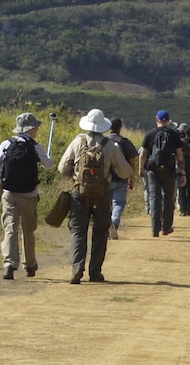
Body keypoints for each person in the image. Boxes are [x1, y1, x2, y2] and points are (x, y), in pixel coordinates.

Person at [55, 108, 132, 283]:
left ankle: (77, 268)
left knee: (78, 231)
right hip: (102, 193)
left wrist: (75, 177)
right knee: (100, 231)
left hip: (78, 192)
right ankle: (95, 272)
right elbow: (125, 171)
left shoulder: (77, 142)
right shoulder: (110, 146)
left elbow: (62, 168)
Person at [0, 110, 53, 278]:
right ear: (31, 129)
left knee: (10, 228)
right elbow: (49, 165)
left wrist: (2, 182)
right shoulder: (35, 146)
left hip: (9, 192)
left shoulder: (6, 144)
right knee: (28, 230)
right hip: (29, 194)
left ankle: (9, 265)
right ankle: (30, 265)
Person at [139, 109, 182, 237]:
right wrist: (182, 172)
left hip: (153, 170)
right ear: (168, 120)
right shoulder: (173, 134)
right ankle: (166, 227)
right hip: (168, 171)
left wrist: (141, 168)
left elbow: (143, 154)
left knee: (155, 198)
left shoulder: (150, 134)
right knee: (169, 198)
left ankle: (155, 229)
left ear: (156, 119)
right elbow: (180, 156)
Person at [107, 117, 139, 234]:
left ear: (109, 127)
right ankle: (114, 222)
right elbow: (132, 162)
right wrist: (132, 178)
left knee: (106, 202)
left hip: (106, 178)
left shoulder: (103, 141)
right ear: (120, 128)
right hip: (121, 177)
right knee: (119, 202)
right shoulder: (125, 142)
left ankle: (106, 224)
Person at [174, 124, 190, 221]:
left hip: (180, 168)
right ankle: (189, 209)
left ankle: (182, 209)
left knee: (181, 187)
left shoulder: (179, 143)